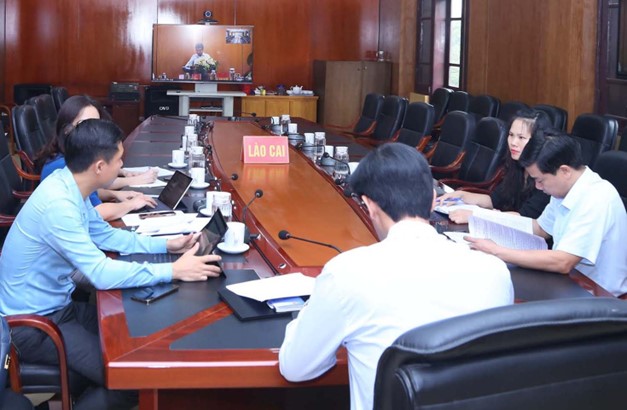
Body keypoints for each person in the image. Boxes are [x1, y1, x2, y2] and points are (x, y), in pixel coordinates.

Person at [0, 119, 222, 410]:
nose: (122, 167)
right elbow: (101, 274)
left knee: (131, 333)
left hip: (58, 308)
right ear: (99, 167)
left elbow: (105, 235)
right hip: (34, 326)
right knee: (131, 381)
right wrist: (173, 270)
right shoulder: (59, 205)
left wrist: (166, 245)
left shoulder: (68, 185)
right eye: (118, 160)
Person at [278, 143, 514, 410]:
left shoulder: (346, 274)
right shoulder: (494, 271)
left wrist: (311, 306)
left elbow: (296, 368)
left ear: (369, 206)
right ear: (433, 200)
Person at [467, 131, 627, 296]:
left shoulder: (596, 198)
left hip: (598, 294)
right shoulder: (565, 188)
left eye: (540, 180)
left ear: (564, 171)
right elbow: (540, 228)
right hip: (570, 280)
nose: (538, 187)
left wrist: (497, 250)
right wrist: (485, 218)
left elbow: (563, 261)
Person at [37, 95, 158, 221]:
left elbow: (89, 193)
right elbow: (95, 214)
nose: (93, 131)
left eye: (96, 124)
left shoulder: (75, 155)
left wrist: (115, 194)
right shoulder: (63, 165)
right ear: (67, 130)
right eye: (84, 124)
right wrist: (131, 204)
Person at [437, 109, 551, 223]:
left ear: (538, 141)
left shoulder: (546, 176)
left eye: (521, 138)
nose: (513, 142)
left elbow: (525, 217)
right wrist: (461, 196)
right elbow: (494, 200)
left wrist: (476, 216)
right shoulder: (516, 167)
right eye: (511, 135)